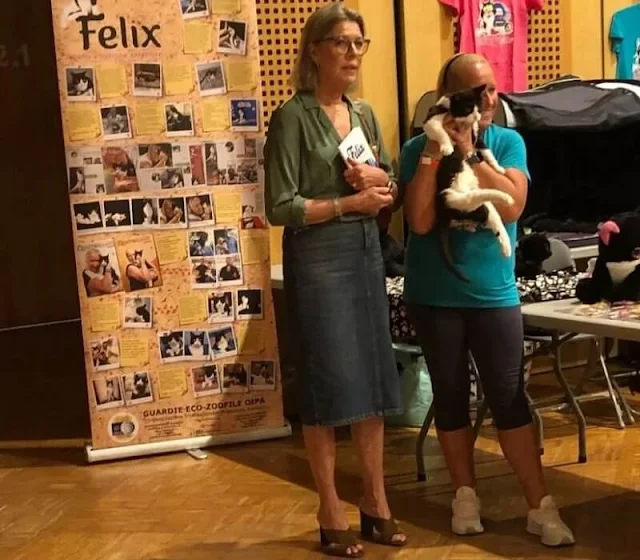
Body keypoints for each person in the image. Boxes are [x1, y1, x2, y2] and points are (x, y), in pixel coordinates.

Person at [400, 52, 575, 547]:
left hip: (493, 294)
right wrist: (438, 150)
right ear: (447, 97)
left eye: (492, 90)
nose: (487, 100)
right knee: (451, 397)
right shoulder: (419, 147)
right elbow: (418, 222)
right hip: (434, 293)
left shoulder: (507, 142)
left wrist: (473, 152)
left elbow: (514, 203)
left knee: (509, 396)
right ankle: (464, 496)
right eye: (474, 93)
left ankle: (540, 505)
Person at [264, 4, 406, 557]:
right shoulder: (292, 116)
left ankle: (376, 504)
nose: (352, 53)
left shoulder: (365, 112)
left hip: (366, 251)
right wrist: (349, 200)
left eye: (359, 43)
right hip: (318, 258)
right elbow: (280, 205)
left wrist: (381, 181)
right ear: (316, 50)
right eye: (342, 42)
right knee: (328, 382)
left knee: (371, 379)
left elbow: (388, 182)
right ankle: (329, 508)